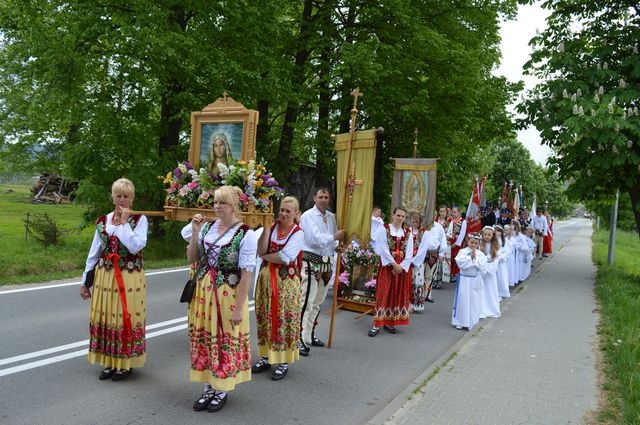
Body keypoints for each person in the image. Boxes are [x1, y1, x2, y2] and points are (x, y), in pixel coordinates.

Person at [181, 186, 257, 413]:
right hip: (203, 293)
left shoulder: (246, 233)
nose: (217, 206)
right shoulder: (207, 228)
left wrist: (238, 309)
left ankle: (221, 388)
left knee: (223, 338)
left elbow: (246, 275)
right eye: (215, 202)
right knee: (205, 337)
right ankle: (207, 386)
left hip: (228, 294)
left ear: (234, 205)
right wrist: (195, 233)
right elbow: (192, 258)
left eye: (222, 203)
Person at [80, 178, 148, 381]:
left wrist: (125, 224)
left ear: (132, 198)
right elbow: (94, 252)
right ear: (112, 197)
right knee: (107, 316)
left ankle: (125, 364)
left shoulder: (140, 219)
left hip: (129, 276)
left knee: (123, 317)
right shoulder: (103, 221)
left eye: (126, 196)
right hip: (105, 275)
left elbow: (137, 246)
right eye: (118, 195)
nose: (122, 200)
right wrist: (85, 281)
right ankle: (109, 360)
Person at [252, 197, 304, 381]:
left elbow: (285, 256)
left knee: (283, 318)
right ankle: (266, 357)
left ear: (296, 214)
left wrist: (266, 255)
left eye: (288, 211)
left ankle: (283, 361)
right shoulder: (272, 228)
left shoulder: (298, 233)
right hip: (266, 280)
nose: (283, 214)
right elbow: (260, 249)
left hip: (286, 283)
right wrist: (266, 228)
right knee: (265, 316)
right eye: (282, 210)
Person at [299, 188, 344, 356]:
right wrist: (334, 238)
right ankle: (299, 337)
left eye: (326, 197)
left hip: (326, 263)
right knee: (306, 301)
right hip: (311, 260)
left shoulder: (331, 217)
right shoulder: (307, 216)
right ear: (314, 198)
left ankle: (309, 334)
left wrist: (338, 246)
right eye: (320, 197)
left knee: (318, 301)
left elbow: (333, 240)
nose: (323, 200)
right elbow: (313, 239)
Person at [369, 207, 414, 336]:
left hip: (401, 270)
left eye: (403, 216)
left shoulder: (407, 232)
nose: (400, 218)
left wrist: (401, 267)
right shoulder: (385, 229)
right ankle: (377, 324)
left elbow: (409, 252)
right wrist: (394, 264)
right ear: (393, 215)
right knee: (383, 293)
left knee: (396, 294)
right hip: (388, 267)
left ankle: (390, 321)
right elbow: (383, 248)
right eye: (398, 215)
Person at [451, 233, 486, 331]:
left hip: (474, 279)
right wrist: (470, 258)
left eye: (475, 243)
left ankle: (471, 321)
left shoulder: (481, 254)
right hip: (464, 280)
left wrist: (474, 258)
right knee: (463, 300)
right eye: (471, 242)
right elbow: (460, 263)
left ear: (478, 243)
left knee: (473, 301)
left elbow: (482, 267)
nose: (473, 245)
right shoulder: (462, 251)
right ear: (468, 241)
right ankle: (460, 321)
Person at [479, 226, 501, 319]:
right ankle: (481, 308)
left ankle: (491, 308)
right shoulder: (480, 245)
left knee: (490, 291)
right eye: (485, 234)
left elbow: (496, 259)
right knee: (481, 290)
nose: (487, 236)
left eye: (489, 235)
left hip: (490, 273)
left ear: (493, 236)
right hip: (481, 271)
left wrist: (489, 269)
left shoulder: (495, 246)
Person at [409, 212, 428, 312]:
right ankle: (407, 302)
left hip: (417, 261)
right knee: (408, 281)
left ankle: (416, 304)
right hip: (407, 260)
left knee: (417, 280)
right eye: (413, 220)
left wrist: (414, 260)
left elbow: (423, 249)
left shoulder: (424, 233)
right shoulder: (408, 231)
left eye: (417, 220)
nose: (414, 222)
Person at [446, 205, 467, 283]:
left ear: (459, 212)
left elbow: (462, 233)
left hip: (457, 242)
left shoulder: (463, 221)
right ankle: (450, 273)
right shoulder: (451, 221)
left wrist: (457, 243)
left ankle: (455, 274)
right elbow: (449, 232)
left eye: (455, 212)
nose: (454, 214)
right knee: (450, 258)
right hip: (450, 241)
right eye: (452, 212)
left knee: (456, 258)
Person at [432, 205, 451, 289]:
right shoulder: (436, 221)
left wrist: (444, 237)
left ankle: (439, 280)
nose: (442, 213)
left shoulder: (449, 222)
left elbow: (450, 233)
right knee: (435, 262)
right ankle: (433, 279)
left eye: (444, 211)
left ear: (446, 212)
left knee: (442, 263)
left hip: (444, 243)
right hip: (436, 243)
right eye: (441, 211)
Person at [493, 225, 511, 300]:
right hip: (494, 261)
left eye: (498, 231)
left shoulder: (505, 241)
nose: (496, 233)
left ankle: (501, 293)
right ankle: (494, 292)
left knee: (501, 277)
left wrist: (501, 257)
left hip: (501, 263)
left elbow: (508, 251)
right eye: (495, 231)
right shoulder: (493, 240)